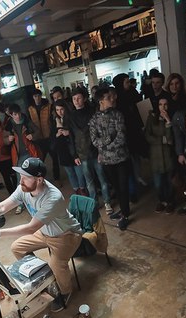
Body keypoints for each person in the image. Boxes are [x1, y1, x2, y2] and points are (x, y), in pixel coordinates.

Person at [0, 158, 83, 312]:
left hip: (65, 235)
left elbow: (30, 228)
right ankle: (41, 276)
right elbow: (2, 207)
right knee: (17, 247)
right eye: (21, 176)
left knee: (56, 264)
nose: (21, 181)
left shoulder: (53, 197)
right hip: (44, 232)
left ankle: (65, 292)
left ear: (39, 180)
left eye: (26, 177)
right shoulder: (24, 188)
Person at [89, 87, 131, 230]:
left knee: (123, 187)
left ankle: (125, 215)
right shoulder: (94, 120)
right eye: (108, 98)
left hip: (121, 158)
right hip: (106, 161)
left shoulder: (117, 115)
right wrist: (109, 138)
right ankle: (123, 210)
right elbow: (95, 141)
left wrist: (106, 146)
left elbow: (122, 137)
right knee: (117, 188)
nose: (112, 99)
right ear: (101, 101)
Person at [69, 87, 113, 214]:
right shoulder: (70, 116)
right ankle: (94, 203)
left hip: (96, 151)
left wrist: (101, 150)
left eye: (79, 98)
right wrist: (74, 155)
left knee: (102, 178)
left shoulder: (92, 112)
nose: (76, 101)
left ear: (84, 99)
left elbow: (100, 132)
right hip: (82, 154)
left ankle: (107, 201)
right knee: (89, 182)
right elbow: (71, 137)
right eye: (74, 99)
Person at [7, 103, 42, 214]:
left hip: (29, 152)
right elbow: (3, 139)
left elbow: (37, 131)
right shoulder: (9, 125)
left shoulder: (27, 121)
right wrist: (8, 139)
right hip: (18, 156)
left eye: (18, 113)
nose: (18, 116)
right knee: (20, 180)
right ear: (11, 115)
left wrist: (33, 136)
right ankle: (21, 203)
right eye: (15, 114)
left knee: (34, 176)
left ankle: (39, 199)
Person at [145, 98, 176, 214]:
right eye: (160, 104)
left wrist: (168, 122)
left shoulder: (172, 118)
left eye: (166, 104)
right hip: (155, 156)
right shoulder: (151, 118)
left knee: (169, 182)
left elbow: (171, 140)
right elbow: (147, 136)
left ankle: (170, 202)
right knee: (158, 183)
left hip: (168, 156)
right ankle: (161, 201)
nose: (163, 107)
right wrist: (162, 140)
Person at [53, 99, 87, 195]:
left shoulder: (71, 118)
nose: (60, 112)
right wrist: (57, 134)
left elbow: (78, 133)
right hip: (62, 150)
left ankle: (82, 189)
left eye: (61, 109)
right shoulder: (54, 121)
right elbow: (51, 138)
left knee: (80, 173)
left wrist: (69, 133)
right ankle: (77, 190)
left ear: (65, 109)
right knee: (70, 173)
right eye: (57, 110)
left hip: (74, 150)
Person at [27, 88, 60, 183]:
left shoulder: (48, 106)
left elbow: (53, 119)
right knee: (39, 161)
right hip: (38, 139)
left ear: (41, 96)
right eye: (35, 96)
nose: (37, 98)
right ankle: (40, 179)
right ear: (33, 97)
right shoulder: (30, 109)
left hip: (49, 137)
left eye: (38, 96)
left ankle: (57, 178)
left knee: (55, 158)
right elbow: (29, 123)